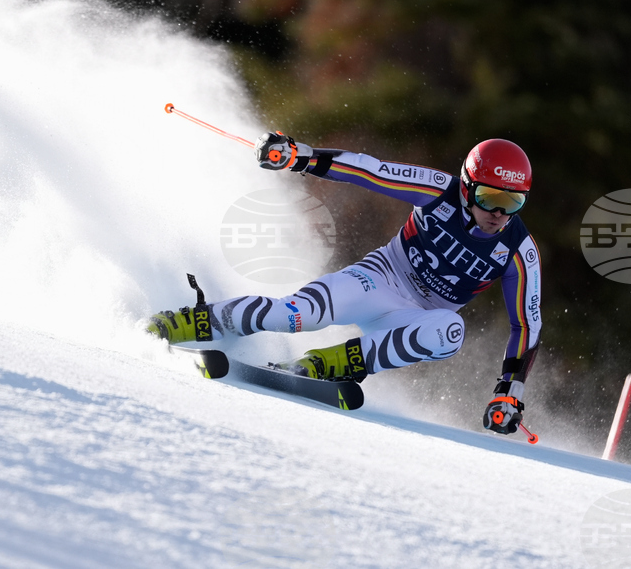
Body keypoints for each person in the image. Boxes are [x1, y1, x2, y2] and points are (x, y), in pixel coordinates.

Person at [147, 133, 542, 435]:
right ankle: (190, 323)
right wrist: (300, 157)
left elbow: (526, 324)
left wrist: (510, 391)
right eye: (491, 198)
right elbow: (370, 171)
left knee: (451, 332)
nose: (498, 214)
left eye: (513, 203)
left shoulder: (519, 251)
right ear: (468, 186)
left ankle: (322, 366)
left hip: (416, 318)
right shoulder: (438, 190)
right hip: (380, 278)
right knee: (294, 314)